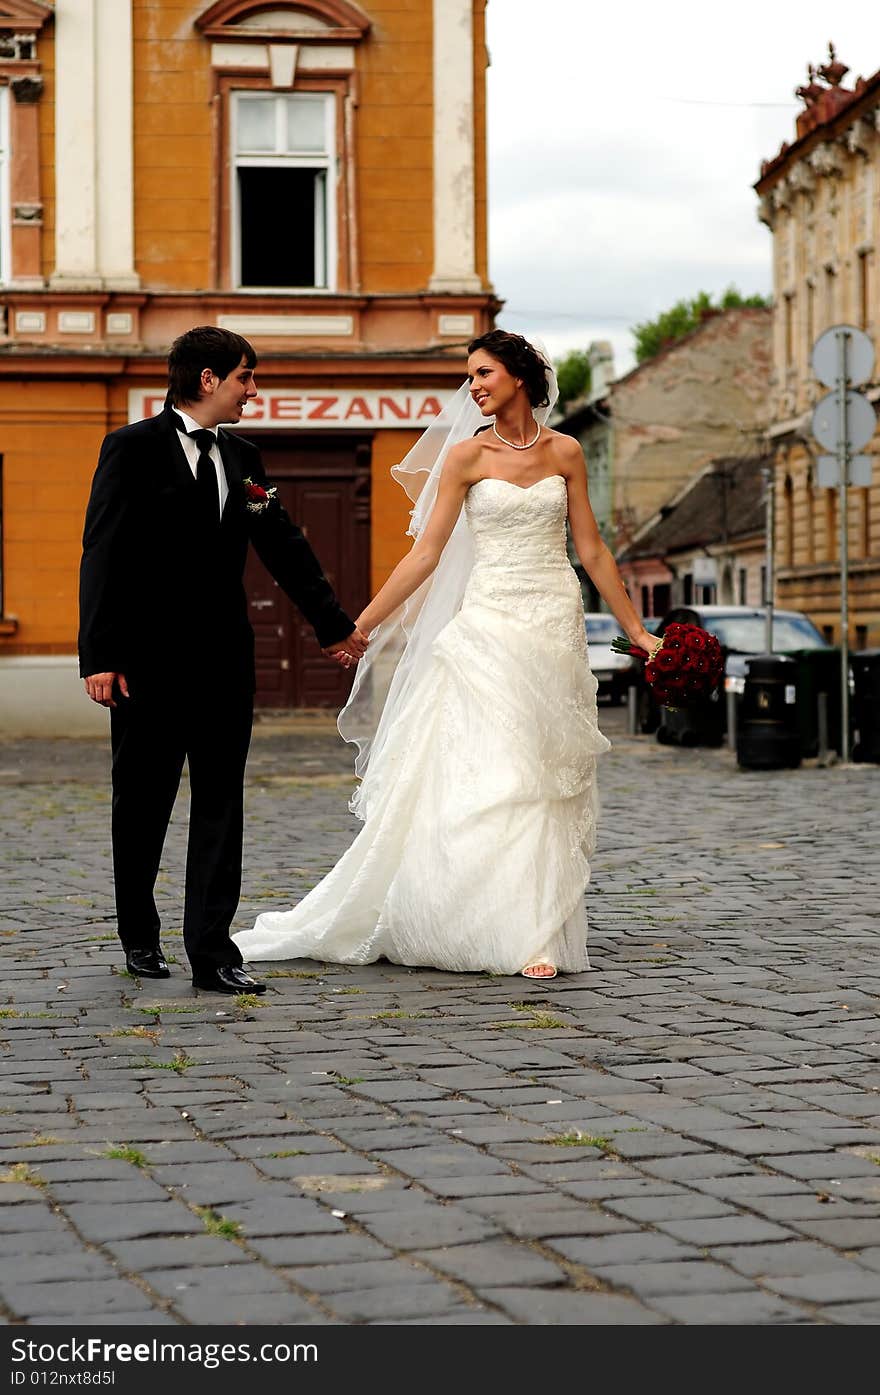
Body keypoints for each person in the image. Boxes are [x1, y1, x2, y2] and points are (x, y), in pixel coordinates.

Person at [233, 330, 657, 980]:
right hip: (487, 624)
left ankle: (540, 923)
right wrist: (362, 624)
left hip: (552, 619)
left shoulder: (566, 451)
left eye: (484, 373)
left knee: (545, 768)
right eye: (471, 377)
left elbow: (592, 550)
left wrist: (639, 630)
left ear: (519, 375)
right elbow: (425, 554)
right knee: (504, 766)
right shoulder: (465, 457)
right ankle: (501, 926)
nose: (475, 386)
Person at [78, 326, 368, 994]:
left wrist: (333, 626)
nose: (253, 389)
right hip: (144, 666)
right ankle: (139, 936)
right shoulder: (129, 449)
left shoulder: (243, 456)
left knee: (220, 805)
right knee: (142, 805)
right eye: (246, 376)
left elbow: (284, 546)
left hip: (225, 664)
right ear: (208, 379)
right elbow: (103, 555)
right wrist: (100, 652)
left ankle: (212, 952)